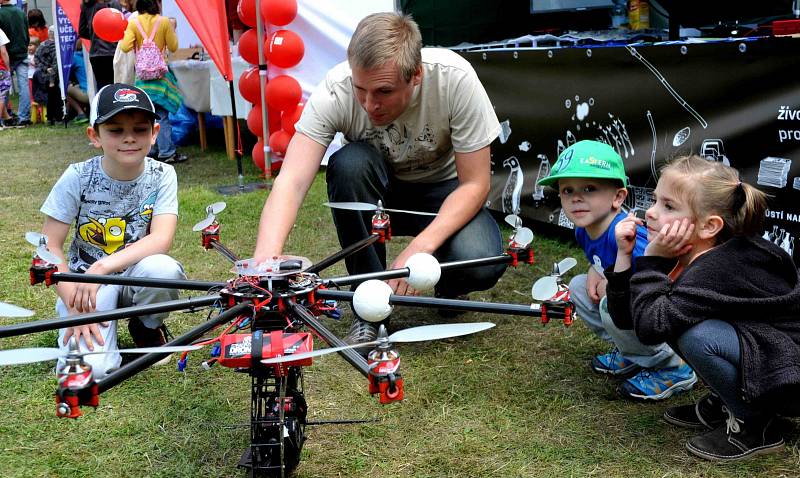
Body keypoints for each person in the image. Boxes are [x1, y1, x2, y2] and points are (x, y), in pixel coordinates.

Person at [253, 12, 506, 345]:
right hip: (376, 193)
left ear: (416, 75)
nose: (370, 104)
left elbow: (476, 183)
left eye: (384, 91)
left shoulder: (454, 79)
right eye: (361, 89)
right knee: (348, 164)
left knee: (482, 263)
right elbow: (292, 182)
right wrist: (264, 269)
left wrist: (420, 250)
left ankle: (448, 284)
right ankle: (368, 303)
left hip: (443, 194)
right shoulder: (335, 90)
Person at [606, 155, 800, 461]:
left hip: (787, 377)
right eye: (655, 200)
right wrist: (624, 257)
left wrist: (651, 262)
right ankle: (729, 402)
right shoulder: (693, 251)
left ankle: (756, 423)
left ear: (709, 226)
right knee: (668, 313)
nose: (650, 213)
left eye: (668, 206)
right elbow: (627, 319)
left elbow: (649, 329)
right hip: (766, 360)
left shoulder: (718, 267)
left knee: (694, 333)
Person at [39, 83, 185, 378]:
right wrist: (72, 302)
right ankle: (91, 333)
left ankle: (146, 327)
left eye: (140, 129)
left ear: (154, 133)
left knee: (165, 270)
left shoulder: (163, 174)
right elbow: (47, 247)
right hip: (86, 287)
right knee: (93, 371)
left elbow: (161, 238)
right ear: (94, 136)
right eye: (116, 130)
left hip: (133, 276)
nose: (129, 138)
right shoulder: (77, 176)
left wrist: (102, 267)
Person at [537, 140, 696, 400]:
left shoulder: (629, 232)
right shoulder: (583, 229)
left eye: (589, 188)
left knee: (610, 302)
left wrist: (613, 284)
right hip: (629, 305)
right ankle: (631, 352)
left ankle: (672, 366)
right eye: (567, 190)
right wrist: (594, 269)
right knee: (577, 287)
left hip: (661, 312)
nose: (576, 198)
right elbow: (600, 259)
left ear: (618, 197)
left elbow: (658, 278)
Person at [119, 0, 186, 164]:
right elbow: (174, 46)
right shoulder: (163, 22)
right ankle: (167, 152)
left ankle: (152, 150)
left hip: (142, 79)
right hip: (160, 77)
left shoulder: (134, 23)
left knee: (148, 115)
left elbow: (125, 47)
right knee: (162, 115)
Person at [79, 0, 123, 91]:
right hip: (113, 51)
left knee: (102, 87)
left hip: (96, 53)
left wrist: (95, 35)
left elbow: (82, 31)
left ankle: (103, 104)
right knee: (117, 86)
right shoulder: (114, 3)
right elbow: (120, 25)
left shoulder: (86, 4)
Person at [0, 0, 31, 126]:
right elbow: (26, 33)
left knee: (3, 87)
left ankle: (5, 115)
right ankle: (24, 117)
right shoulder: (21, 12)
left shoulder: (1, 13)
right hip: (22, 52)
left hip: (6, 54)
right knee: (23, 85)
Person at [0, 26, 13, 128]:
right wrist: (8, 68)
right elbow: (3, 52)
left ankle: (8, 118)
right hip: (1, 68)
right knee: (1, 96)